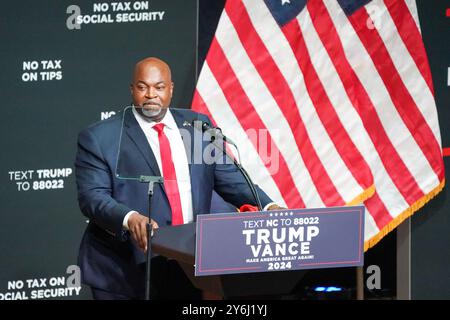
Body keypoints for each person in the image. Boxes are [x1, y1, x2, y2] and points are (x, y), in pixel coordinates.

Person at [75, 57, 280, 300]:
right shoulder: (101, 137)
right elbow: (93, 197)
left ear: (171, 89)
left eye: (159, 87)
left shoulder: (196, 126)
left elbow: (229, 178)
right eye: (143, 87)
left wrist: (269, 206)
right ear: (132, 90)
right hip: (124, 270)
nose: (151, 94)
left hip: (186, 262)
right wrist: (130, 219)